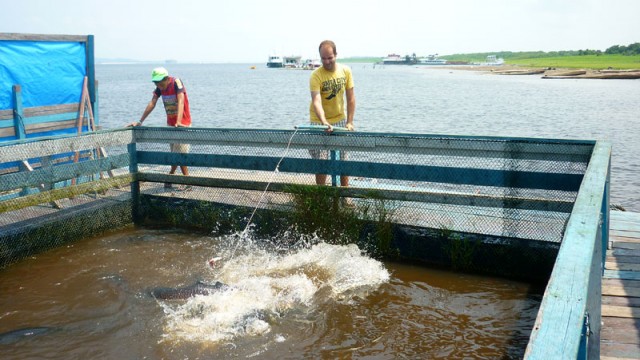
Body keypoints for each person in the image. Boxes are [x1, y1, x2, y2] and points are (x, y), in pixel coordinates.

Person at [130, 67, 192, 189]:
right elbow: (152, 103)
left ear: (167, 78)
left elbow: (181, 100)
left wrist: (179, 121)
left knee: (181, 153)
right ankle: (172, 175)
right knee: (174, 152)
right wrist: (140, 121)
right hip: (170, 124)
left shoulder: (176, 82)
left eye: (160, 82)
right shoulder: (160, 88)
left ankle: (187, 181)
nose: (158, 85)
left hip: (183, 124)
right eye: (156, 82)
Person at [309, 40, 356, 187]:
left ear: (336, 55)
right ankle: (321, 195)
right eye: (323, 58)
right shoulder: (316, 75)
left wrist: (349, 121)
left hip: (340, 120)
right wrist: (324, 121)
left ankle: (345, 195)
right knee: (321, 162)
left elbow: (351, 98)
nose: (327, 61)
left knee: (343, 159)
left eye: (330, 57)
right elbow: (317, 101)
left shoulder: (346, 71)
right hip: (319, 121)